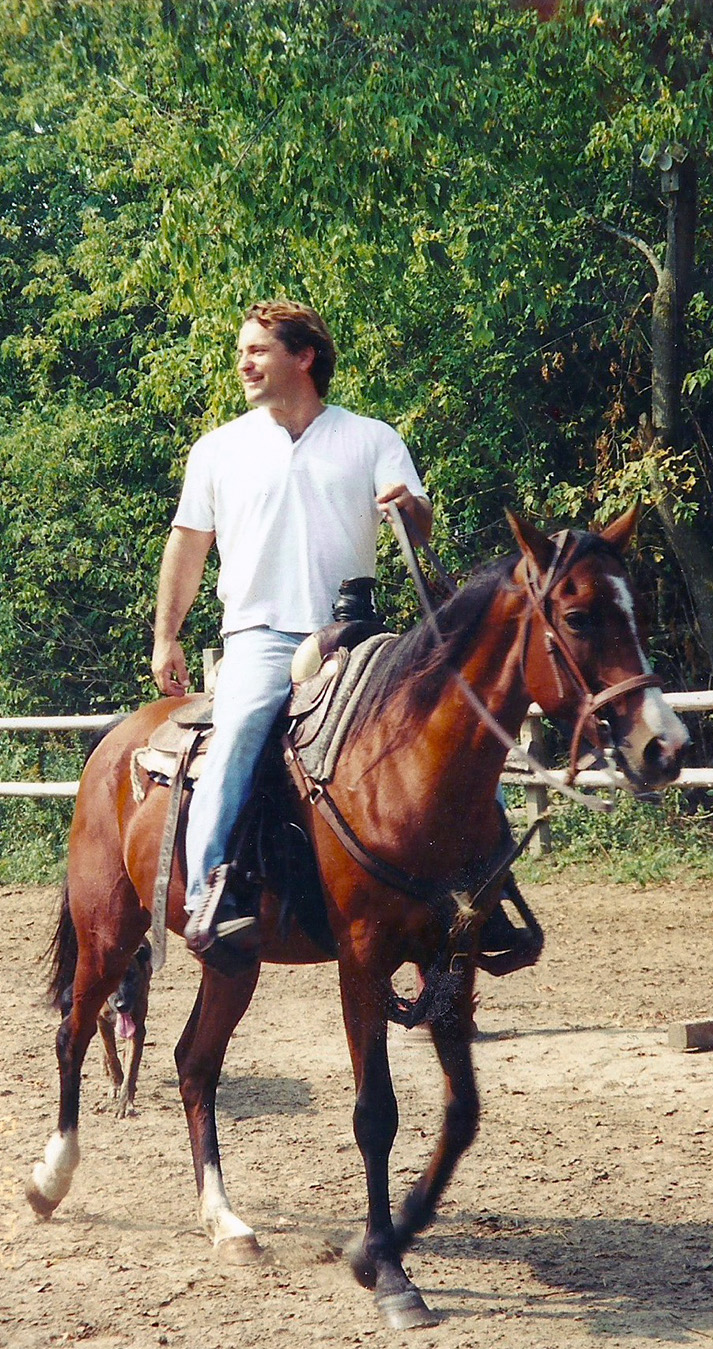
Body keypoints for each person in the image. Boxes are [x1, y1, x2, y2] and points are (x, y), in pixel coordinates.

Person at [151, 300, 432, 962]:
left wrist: (409, 507)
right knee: (241, 728)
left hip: (354, 636)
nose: (242, 362)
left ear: (303, 357)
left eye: (257, 350)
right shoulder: (219, 449)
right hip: (259, 635)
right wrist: (168, 635)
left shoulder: (370, 437)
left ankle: (474, 887)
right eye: (242, 350)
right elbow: (187, 548)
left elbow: (416, 524)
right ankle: (209, 897)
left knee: (432, 726)